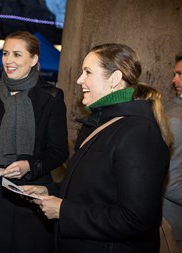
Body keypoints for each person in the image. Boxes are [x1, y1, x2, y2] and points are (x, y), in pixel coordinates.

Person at [23, 43, 172, 253]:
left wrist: (64, 211)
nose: (79, 80)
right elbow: (93, 191)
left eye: (88, 72)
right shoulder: (100, 123)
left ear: (114, 79)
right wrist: (49, 191)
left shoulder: (138, 132)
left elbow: (137, 220)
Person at [0, 31, 69, 253]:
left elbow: (59, 150)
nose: (8, 60)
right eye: (5, 53)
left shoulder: (51, 97)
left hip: (29, 198)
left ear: (33, 60)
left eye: (16, 54)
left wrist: (29, 165)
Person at [163, 53, 182, 252]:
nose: (174, 80)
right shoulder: (176, 118)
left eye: (180, 74)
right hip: (173, 223)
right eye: (176, 73)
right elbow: (170, 182)